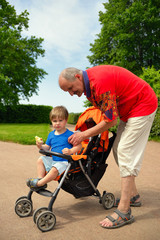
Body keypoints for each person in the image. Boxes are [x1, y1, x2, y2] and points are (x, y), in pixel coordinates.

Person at [58, 65, 158, 229]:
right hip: (129, 110)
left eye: (70, 88)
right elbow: (107, 113)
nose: (71, 93)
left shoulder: (99, 83)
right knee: (117, 149)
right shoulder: (89, 87)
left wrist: (83, 135)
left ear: (77, 77)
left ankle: (124, 211)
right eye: (67, 91)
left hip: (143, 104)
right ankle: (133, 196)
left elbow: (110, 121)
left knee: (126, 151)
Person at [26, 105, 82, 191]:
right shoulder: (51, 134)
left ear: (66, 120)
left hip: (64, 162)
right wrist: (40, 145)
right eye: (54, 121)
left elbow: (79, 146)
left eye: (60, 120)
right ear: (51, 121)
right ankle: (40, 178)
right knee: (40, 159)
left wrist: (70, 151)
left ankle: (40, 183)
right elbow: (47, 148)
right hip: (53, 160)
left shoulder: (70, 134)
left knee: (55, 169)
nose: (57, 123)